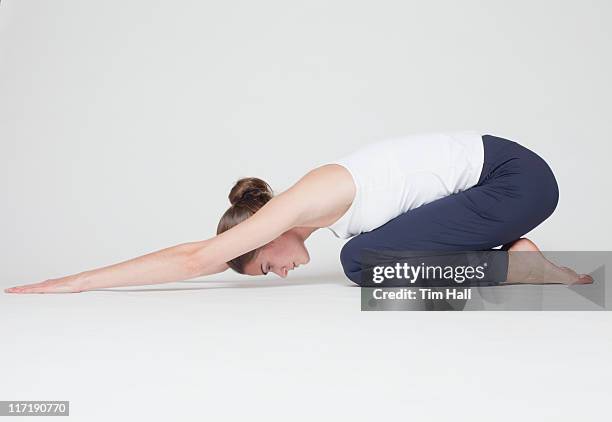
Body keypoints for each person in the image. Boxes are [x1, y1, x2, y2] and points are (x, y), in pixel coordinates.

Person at [5, 131, 592, 294]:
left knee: (363, 265)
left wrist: (78, 281)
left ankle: (514, 269)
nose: (280, 271)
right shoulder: (335, 212)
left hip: (516, 180)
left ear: (261, 237)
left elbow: (196, 259)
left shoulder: (305, 198)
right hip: (512, 183)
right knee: (365, 255)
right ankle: (515, 261)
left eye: (264, 266)